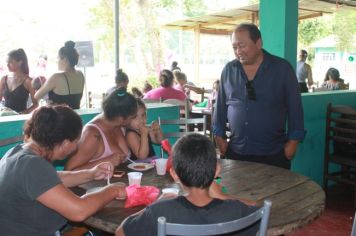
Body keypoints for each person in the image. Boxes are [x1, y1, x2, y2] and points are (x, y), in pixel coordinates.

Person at [0, 105, 126, 235]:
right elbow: (79, 211)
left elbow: (53, 178)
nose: (77, 146)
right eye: (77, 141)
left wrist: (91, 174)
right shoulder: (32, 165)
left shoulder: (18, 152)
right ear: (65, 143)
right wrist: (113, 190)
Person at [115, 133, 258, 236]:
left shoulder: (159, 212)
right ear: (217, 171)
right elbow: (257, 209)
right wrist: (222, 196)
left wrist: (152, 206)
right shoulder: (236, 210)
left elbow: (120, 232)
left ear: (174, 175)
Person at [213, 23, 305, 169]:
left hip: (274, 153)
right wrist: (219, 137)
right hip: (237, 152)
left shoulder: (282, 69)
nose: (238, 51)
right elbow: (220, 107)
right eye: (234, 47)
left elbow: (295, 108)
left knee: (275, 192)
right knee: (236, 191)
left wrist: (293, 142)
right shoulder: (229, 70)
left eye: (242, 46)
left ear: (258, 43)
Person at [65, 88, 137, 171]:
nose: (134, 120)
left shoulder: (118, 126)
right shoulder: (92, 135)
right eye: (133, 117)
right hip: (93, 183)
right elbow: (69, 171)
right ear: (121, 118)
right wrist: (104, 161)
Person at [35, 41, 84, 109]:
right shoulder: (81, 75)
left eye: (58, 58)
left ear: (65, 59)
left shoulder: (56, 77)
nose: (57, 61)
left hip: (59, 118)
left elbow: (37, 96)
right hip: (75, 117)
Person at [0, 48, 38, 113]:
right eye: (7, 62)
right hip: (4, 116)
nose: (7, 65)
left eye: (10, 62)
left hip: (19, 117)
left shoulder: (28, 81)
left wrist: (24, 112)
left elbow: (36, 104)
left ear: (20, 62)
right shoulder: (4, 79)